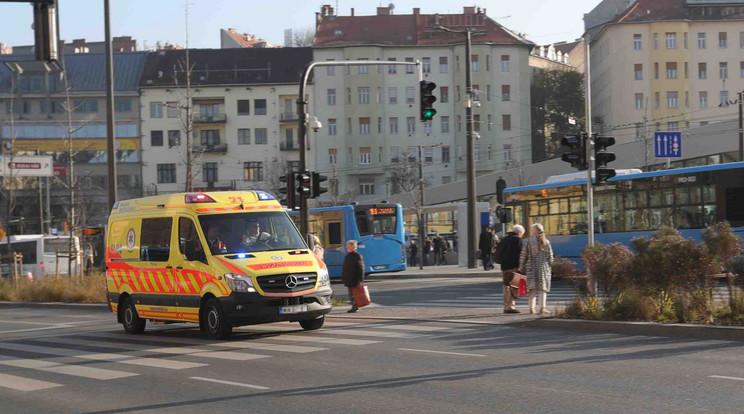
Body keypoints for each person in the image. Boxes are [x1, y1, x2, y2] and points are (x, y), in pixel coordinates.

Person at [519, 223, 554, 315]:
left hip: (531, 267)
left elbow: (523, 255)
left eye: (531, 230)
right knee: (543, 288)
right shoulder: (546, 241)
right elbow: (550, 257)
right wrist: (550, 266)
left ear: (534, 231)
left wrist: (521, 266)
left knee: (532, 289)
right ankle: (542, 308)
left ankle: (532, 308)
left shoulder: (527, 241)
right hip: (543, 267)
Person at [498, 224, 525, 314]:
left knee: (506, 286)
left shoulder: (504, 239)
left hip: (504, 266)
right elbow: (520, 254)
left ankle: (506, 305)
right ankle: (510, 306)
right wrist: (521, 267)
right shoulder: (518, 240)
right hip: (513, 266)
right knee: (514, 286)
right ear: (520, 232)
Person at [342, 240, 365, 313]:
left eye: (348, 246)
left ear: (353, 247)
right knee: (351, 294)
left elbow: (361, 268)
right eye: (347, 246)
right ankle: (354, 306)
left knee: (355, 294)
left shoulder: (357, 256)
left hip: (354, 278)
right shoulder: (348, 256)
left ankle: (355, 307)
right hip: (349, 278)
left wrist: (360, 278)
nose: (347, 248)